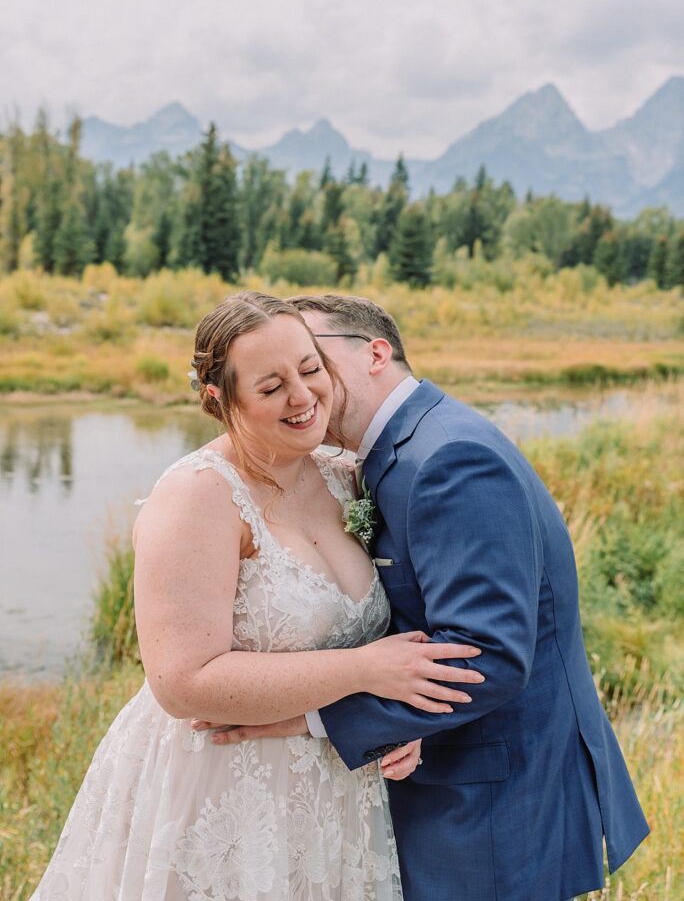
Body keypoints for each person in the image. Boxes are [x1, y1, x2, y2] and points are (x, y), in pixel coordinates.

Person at [29, 292, 483, 901]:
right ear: (221, 399)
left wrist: (394, 717)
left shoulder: (343, 474)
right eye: (271, 387)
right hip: (222, 787)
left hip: (335, 786)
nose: (302, 396)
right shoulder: (198, 497)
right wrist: (369, 670)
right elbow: (183, 682)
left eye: (310, 368)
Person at [200, 293, 649, 901]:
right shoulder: (391, 453)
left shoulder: (447, 457)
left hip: (495, 797)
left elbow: (487, 653)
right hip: (459, 780)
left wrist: (311, 717)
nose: (306, 385)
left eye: (312, 361)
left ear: (376, 352)